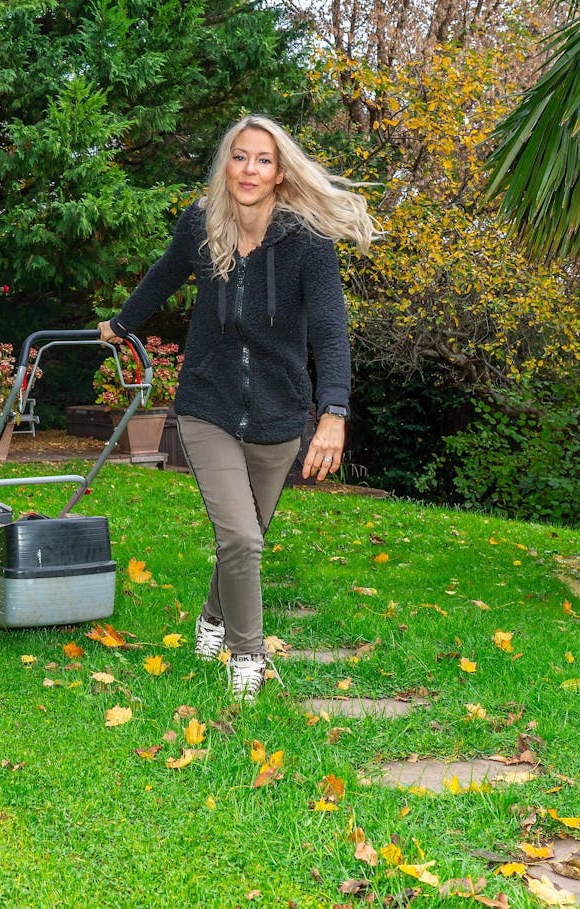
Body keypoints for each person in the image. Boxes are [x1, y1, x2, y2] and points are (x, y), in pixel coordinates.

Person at [98, 114, 375, 700]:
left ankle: (211, 616)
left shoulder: (306, 243)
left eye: (263, 160)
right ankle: (247, 659)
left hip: (280, 417)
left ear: (280, 174)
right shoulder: (201, 226)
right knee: (243, 541)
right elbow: (164, 277)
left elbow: (329, 330)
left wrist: (333, 412)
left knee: (243, 539)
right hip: (207, 407)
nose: (249, 169)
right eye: (239, 156)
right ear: (226, 164)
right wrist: (121, 325)